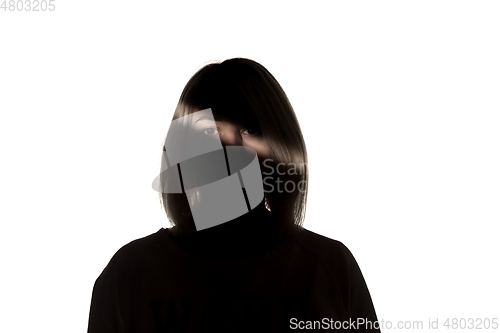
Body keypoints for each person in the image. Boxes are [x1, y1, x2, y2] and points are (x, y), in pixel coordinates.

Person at [87, 58, 381, 332]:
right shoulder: (129, 276)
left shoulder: (328, 268)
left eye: (251, 129)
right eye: (209, 132)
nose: (232, 147)